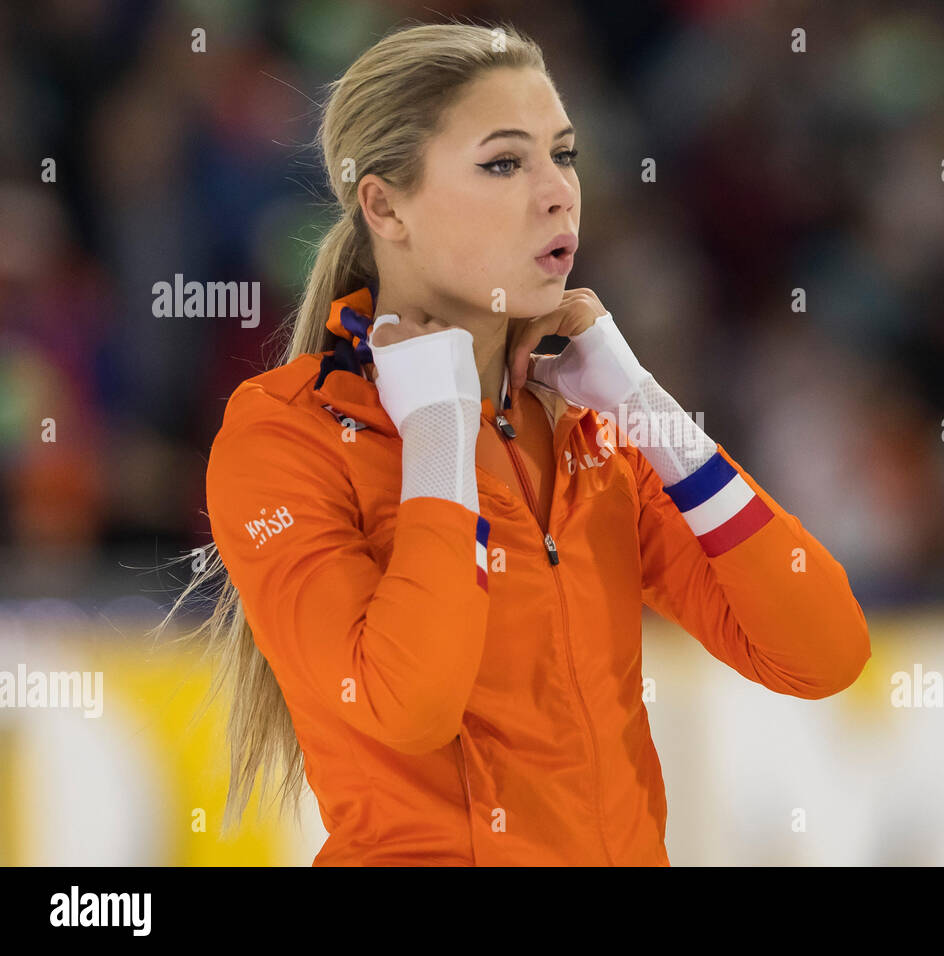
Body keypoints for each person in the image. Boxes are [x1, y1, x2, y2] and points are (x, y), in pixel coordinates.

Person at [175, 22, 870, 865]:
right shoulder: (289, 434)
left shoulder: (589, 430)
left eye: (565, 155)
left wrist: (646, 409)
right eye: (504, 163)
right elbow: (409, 703)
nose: (557, 193)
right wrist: (440, 432)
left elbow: (823, 652)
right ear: (385, 205)